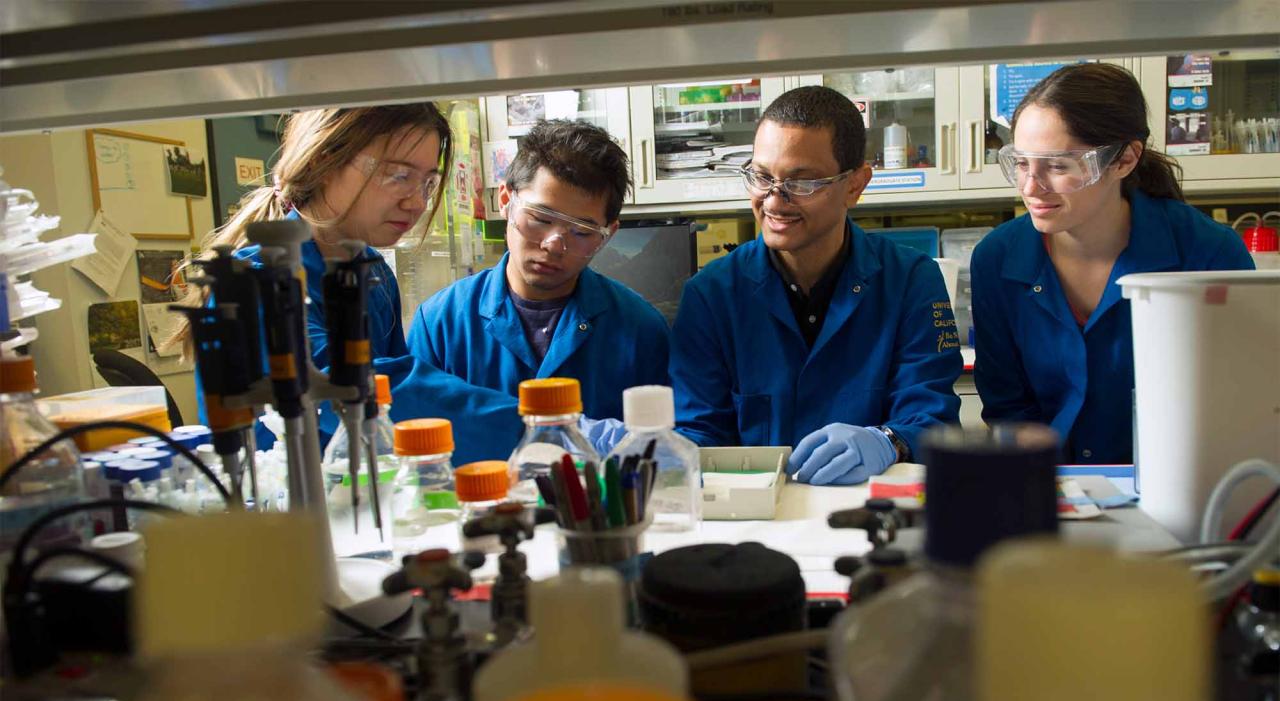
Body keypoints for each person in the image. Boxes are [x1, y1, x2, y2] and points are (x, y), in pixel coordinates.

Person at [670, 86, 962, 486]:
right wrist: (667, 453)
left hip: (870, 514)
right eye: (761, 176)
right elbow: (699, 430)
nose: (774, 201)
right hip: (757, 521)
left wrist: (887, 441)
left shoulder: (910, 280)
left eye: (801, 183)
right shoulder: (712, 295)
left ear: (855, 185)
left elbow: (935, 419)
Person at [971, 63, 1254, 464]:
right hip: (1050, 489)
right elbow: (1008, 409)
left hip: (1180, 481)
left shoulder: (1208, 254)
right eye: (1020, 163)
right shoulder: (997, 259)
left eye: (1057, 165)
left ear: (1124, 160)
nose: (1031, 187)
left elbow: (1239, 397)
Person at [187, 103, 459, 448]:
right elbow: (357, 386)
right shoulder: (255, 284)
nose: (417, 203)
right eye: (399, 176)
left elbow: (391, 403)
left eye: (428, 183)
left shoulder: (375, 275)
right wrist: (522, 421)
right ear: (324, 161)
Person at [407, 119, 670, 454]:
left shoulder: (641, 330)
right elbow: (415, 452)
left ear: (609, 234)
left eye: (582, 231)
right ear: (505, 199)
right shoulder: (441, 323)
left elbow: (660, 459)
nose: (554, 244)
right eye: (540, 218)